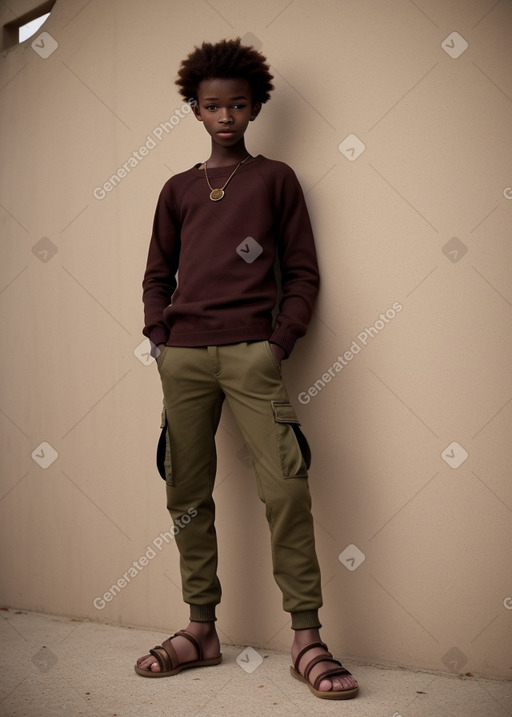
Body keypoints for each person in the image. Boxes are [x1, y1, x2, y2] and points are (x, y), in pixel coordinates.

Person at [135, 38, 358, 700]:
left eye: (237, 105)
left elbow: (303, 271)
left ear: (254, 107)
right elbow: (155, 274)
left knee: (285, 488)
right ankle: (201, 628)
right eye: (212, 106)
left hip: (253, 355)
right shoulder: (176, 189)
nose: (225, 116)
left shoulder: (275, 179)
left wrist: (278, 342)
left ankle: (306, 638)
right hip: (184, 359)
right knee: (186, 494)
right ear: (195, 111)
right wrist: (160, 338)